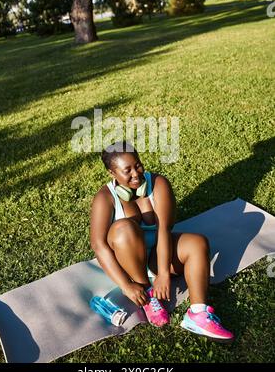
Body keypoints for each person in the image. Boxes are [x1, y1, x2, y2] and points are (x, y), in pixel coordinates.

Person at [90, 140, 234, 340]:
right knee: (123, 228)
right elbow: (98, 246)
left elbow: (165, 229)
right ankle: (147, 293)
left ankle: (198, 314)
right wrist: (126, 285)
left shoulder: (158, 183)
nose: (136, 174)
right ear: (112, 173)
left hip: (158, 254)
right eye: (127, 170)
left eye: (138, 165)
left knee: (198, 243)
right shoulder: (105, 197)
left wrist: (164, 273)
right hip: (129, 263)